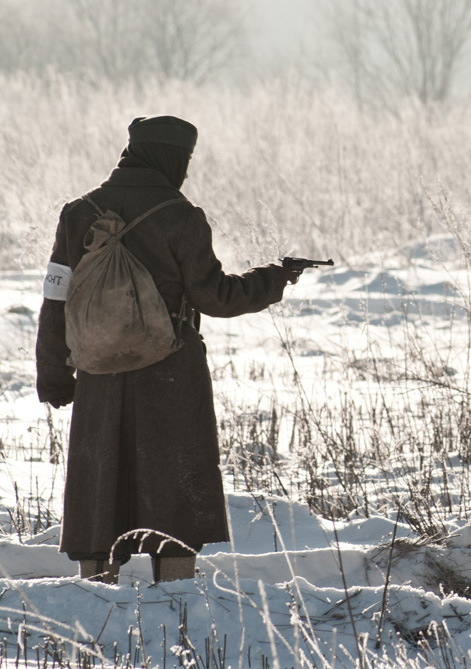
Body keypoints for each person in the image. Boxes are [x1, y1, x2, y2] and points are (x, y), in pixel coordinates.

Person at [35, 116, 300, 584]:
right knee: (173, 484)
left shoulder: (78, 213)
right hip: (170, 375)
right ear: (171, 158)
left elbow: (57, 299)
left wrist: (53, 372)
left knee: (101, 483)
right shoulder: (180, 215)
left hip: (99, 374)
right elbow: (215, 296)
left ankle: (95, 588)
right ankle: (177, 594)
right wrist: (275, 278)